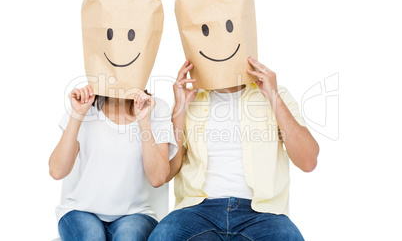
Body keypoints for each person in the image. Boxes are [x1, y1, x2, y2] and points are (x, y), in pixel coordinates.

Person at [149, 58, 319, 240]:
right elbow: (168, 172)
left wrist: (274, 96)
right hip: (196, 211)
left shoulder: (276, 94)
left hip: (263, 213)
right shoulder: (190, 98)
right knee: (163, 236)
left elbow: (308, 161)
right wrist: (180, 109)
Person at [49, 85, 177, 241]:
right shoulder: (84, 104)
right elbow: (56, 171)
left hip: (135, 215)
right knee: (91, 238)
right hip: (80, 211)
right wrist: (77, 114)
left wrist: (144, 123)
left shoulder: (155, 108)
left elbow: (157, 179)